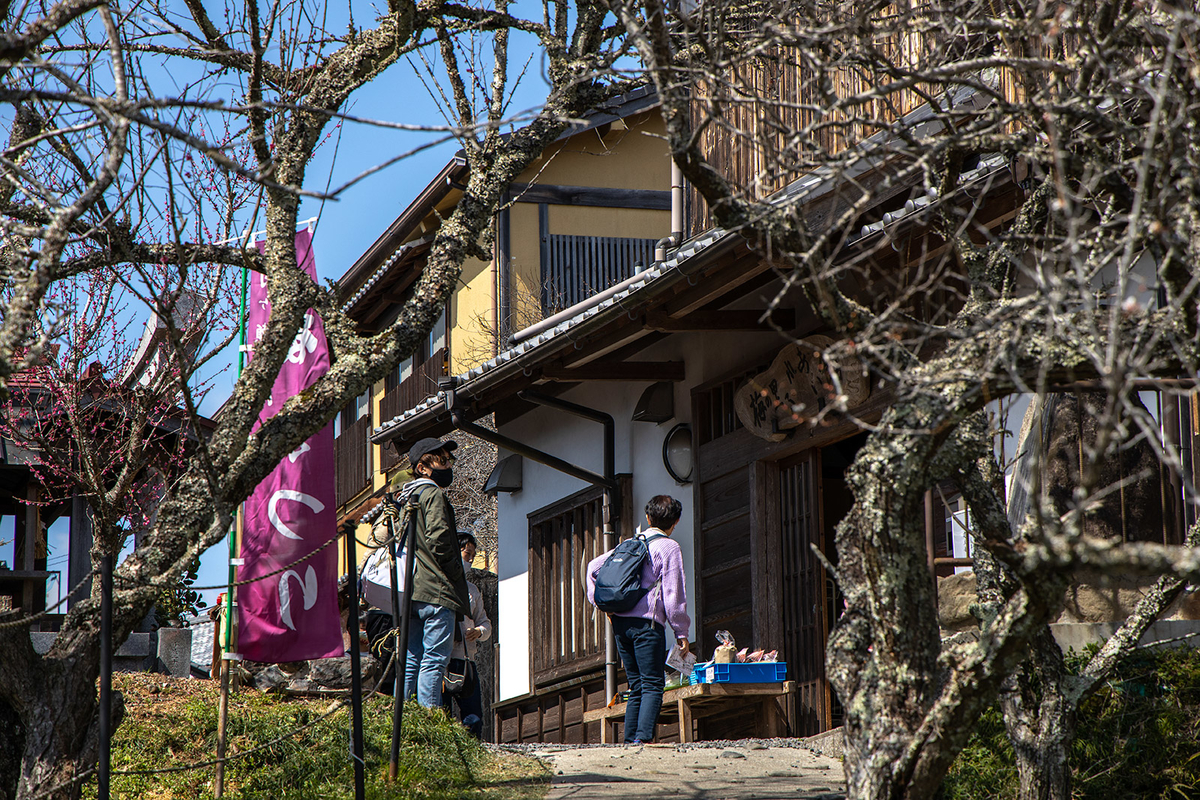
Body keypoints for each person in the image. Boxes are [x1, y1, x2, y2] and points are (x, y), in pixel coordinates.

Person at [375, 437, 471, 708]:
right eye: (442, 460)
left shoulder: (407, 497)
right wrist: (455, 574)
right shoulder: (434, 494)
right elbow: (440, 539)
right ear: (423, 468)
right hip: (437, 590)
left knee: (412, 657)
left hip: (411, 592)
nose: (448, 465)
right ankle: (430, 716)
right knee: (434, 659)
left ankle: (402, 717)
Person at [586, 495, 691, 745]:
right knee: (653, 683)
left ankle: (631, 739)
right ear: (675, 521)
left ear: (647, 518)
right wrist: (681, 632)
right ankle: (643, 739)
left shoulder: (631, 543)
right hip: (648, 625)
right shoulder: (669, 547)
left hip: (620, 625)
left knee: (636, 685)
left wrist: (604, 607)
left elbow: (592, 568)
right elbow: (673, 594)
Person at [441, 531, 493, 738]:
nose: (470, 560)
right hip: (441, 660)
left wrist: (479, 632)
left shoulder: (473, 590)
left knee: (474, 718)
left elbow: (485, 623)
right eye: (467, 554)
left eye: (473, 556)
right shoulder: (439, 585)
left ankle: (475, 752)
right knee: (441, 716)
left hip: (466, 660)